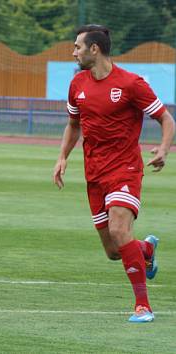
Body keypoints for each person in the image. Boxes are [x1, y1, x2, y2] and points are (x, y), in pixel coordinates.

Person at [53, 25, 175, 323]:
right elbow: (73, 124)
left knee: (121, 231)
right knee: (113, 250)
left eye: (78, 47)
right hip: (94, 172)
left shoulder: (131, 84)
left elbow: (166, 118)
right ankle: (145, 248)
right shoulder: (77, 84)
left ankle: (143, 307)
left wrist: (163, 149)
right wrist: (62, 157)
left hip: (125, 168)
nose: (74, 52)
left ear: (94, 49)